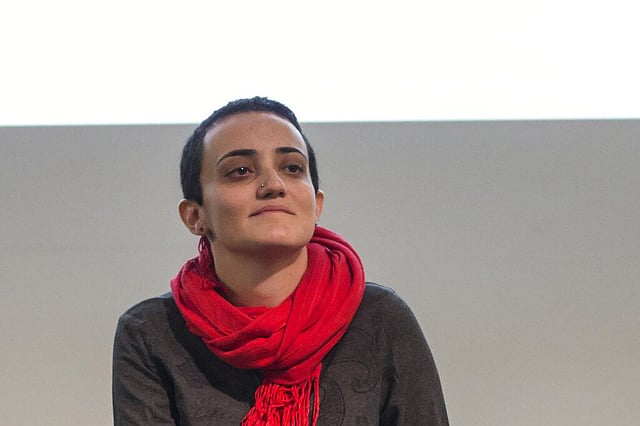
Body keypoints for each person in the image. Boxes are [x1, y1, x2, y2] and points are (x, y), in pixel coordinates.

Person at [112, 97, 449, 425]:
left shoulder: (379, 317)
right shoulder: (152, 332)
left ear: (316, 204)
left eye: (292, 168)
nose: (273, 185)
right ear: (195, 216)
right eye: (240, 171)